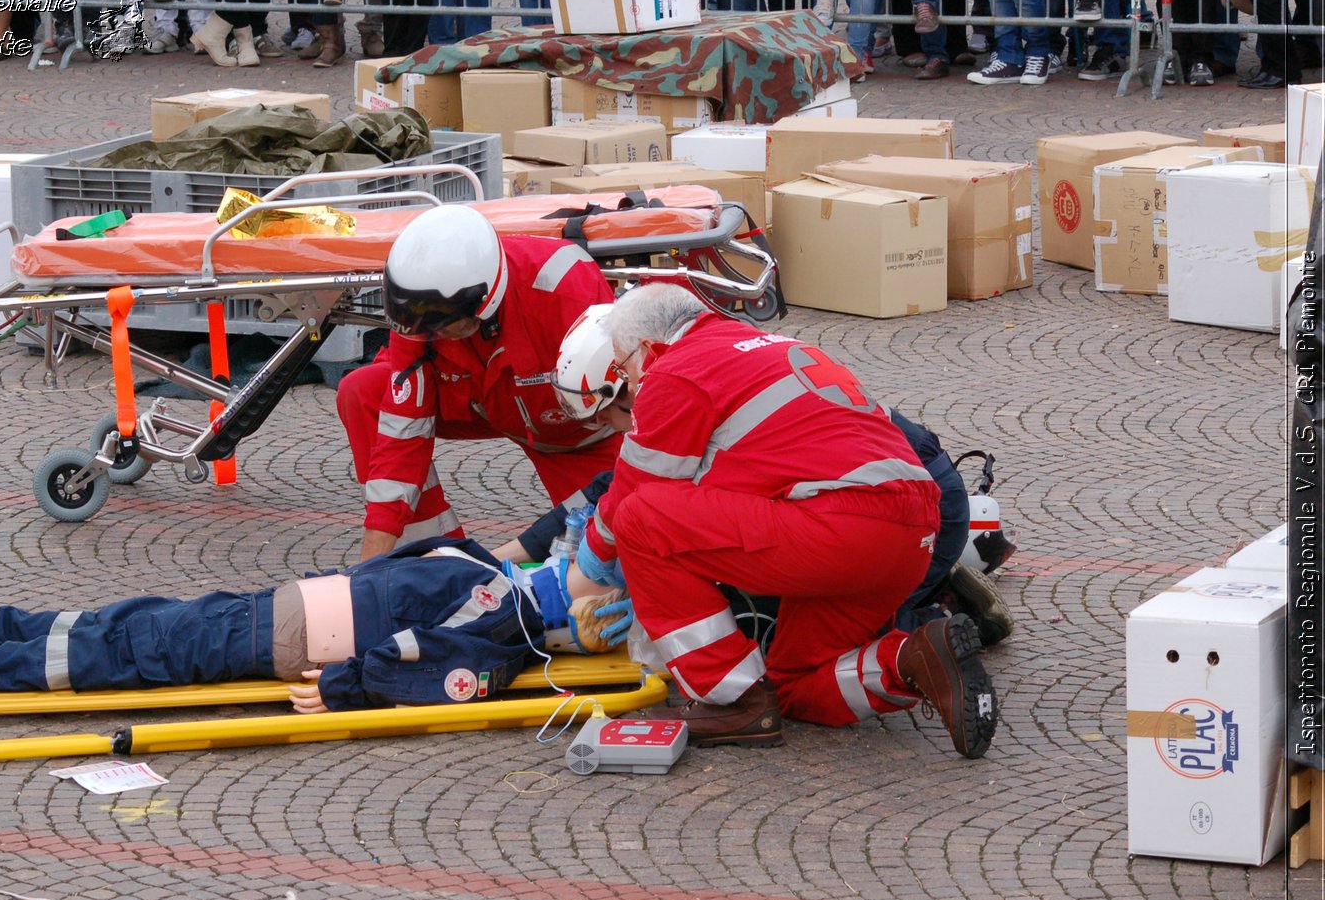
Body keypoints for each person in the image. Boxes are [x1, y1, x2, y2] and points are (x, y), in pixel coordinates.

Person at [567, 285, 999, 758]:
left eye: (625, 367)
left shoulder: (675, 370)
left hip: (841, 529)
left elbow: (636, 490)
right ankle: (915, 658)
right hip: (915, 529)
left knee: (639, 518)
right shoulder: (775, 344)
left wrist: (591, 563)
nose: (630, 383)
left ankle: (733, 698)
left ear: (647, 349)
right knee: (793, 683)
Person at [521, 304, 1014, 644]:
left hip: (903, 514)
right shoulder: (717, 365)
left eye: (608, 415)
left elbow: (635, 503)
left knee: (767, 625)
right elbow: (612, 491)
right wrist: (505, 554)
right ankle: (933, 592)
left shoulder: (680, 400)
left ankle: (938, 615)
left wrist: (631, 589)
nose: (611, 432)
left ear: (627, 381)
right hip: (917, 496)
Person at [0, 538, 630, 712]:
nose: (576, 549)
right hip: (278, 613)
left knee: (126, 648)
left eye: (589, 562)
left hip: (282, 636)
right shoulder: (500, 585)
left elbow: (429, 663)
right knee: (127, 624)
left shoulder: (505, 620)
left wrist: (342, 688)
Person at [334, 205, 622, 562]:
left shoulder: (566, 290)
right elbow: (401, 437)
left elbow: (629, 398)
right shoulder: (422, 313)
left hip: (581, 433)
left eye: (444, 327)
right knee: (363, 392)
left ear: (483, 304)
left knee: (611, 547)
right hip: (481, 403)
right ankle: (429, 560)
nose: (434, 336)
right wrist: (369, 564)